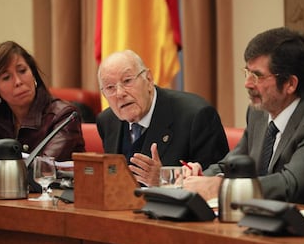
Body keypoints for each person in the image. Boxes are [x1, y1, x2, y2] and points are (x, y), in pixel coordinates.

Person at [183, 27, 304, 204]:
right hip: (263, 217)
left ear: (290, 84)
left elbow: (289, 183)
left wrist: (220, 187)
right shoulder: (258, 112)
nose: (247, 84)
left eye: (257, 76)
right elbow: (230, 164)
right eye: (247, 72)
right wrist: (198, 178)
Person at [96, 50, 229, 187]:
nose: (120, 93)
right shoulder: (107, 121)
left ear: (148, 79)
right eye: (110, 87)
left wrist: (164, 181)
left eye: (127, 81)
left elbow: (213, 185)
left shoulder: (197, 116)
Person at [0, 41, 85, 161]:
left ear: (33, 74)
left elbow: (42, 170)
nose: (18, 82)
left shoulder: (63, 116)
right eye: (6, 77)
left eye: (22, 71)